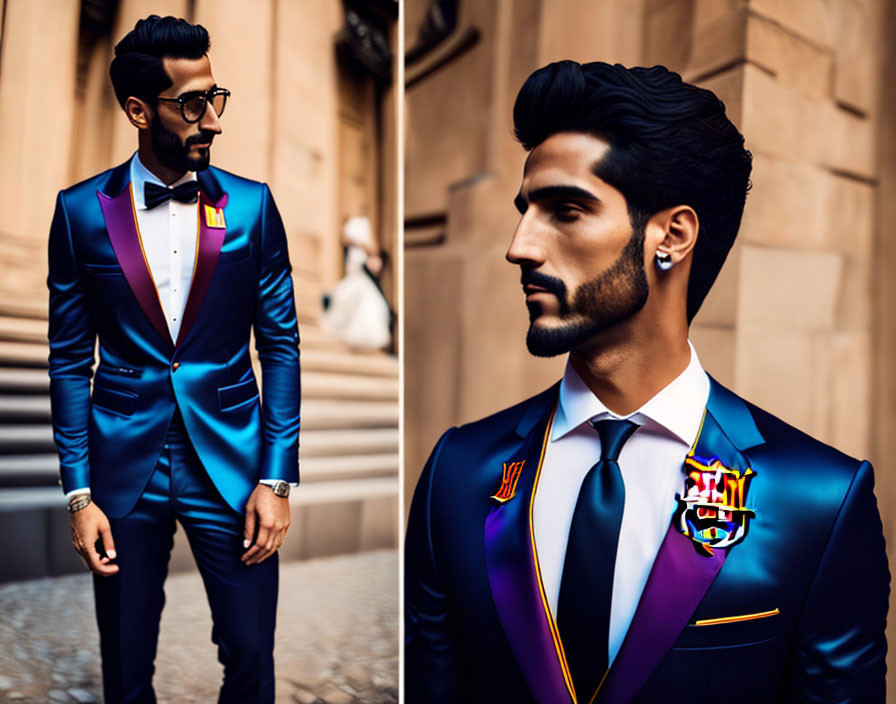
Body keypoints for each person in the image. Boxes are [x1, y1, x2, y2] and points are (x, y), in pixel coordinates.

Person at [404, 60, 888, 704]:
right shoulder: (455, 476)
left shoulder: (819, 502)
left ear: (672, 235)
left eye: (567, 211)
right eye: (526, 212)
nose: (520, 247)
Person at [47, 15, 300, 703]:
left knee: (250, 655)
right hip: (123, 464)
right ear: (137, 110)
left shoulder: (251, 207)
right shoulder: (80, 213)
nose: (212, 121)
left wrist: (277, 479)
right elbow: (69, 359)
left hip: (232, 462)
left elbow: (279, 345)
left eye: (216, 98)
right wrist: (79, 493)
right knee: (126, 667)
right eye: (191, 104)